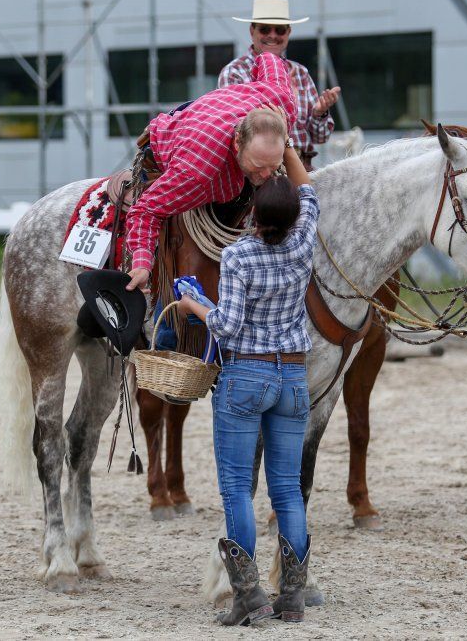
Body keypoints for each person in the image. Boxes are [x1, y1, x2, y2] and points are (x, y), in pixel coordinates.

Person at [177, 132, 318, 626]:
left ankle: (248, 595)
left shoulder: (238, 255)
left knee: (237, 488)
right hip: (293, 374)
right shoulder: (304, 240)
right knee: (287, 489)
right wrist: (287, 147)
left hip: (246, 375)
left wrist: (194, 305)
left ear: (254, 215)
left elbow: (227, 325)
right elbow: (309, 190)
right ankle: (292, 596)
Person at [123, 51, 298, 292]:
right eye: (259, 166)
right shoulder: (197, 173)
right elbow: (146, 209)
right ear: (237, 143)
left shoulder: (281, 102)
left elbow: (269, 58)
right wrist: (142, 263)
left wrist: (249, 86)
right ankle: (166, 307)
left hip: (212, 116)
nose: (268, 176)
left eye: (274, 165)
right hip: (179, 138)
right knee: (176, 247)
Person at [220, 0, 341, 169]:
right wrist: (282, 99)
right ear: (252, 31)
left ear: (288, 33)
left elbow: (321, 137)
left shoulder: (300, 72)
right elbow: (234, 133)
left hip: (303, 167)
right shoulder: (234, 73)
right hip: (259, 172)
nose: (272, 35)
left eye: (280, 30)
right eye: (265, 29)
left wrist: (319, 113)